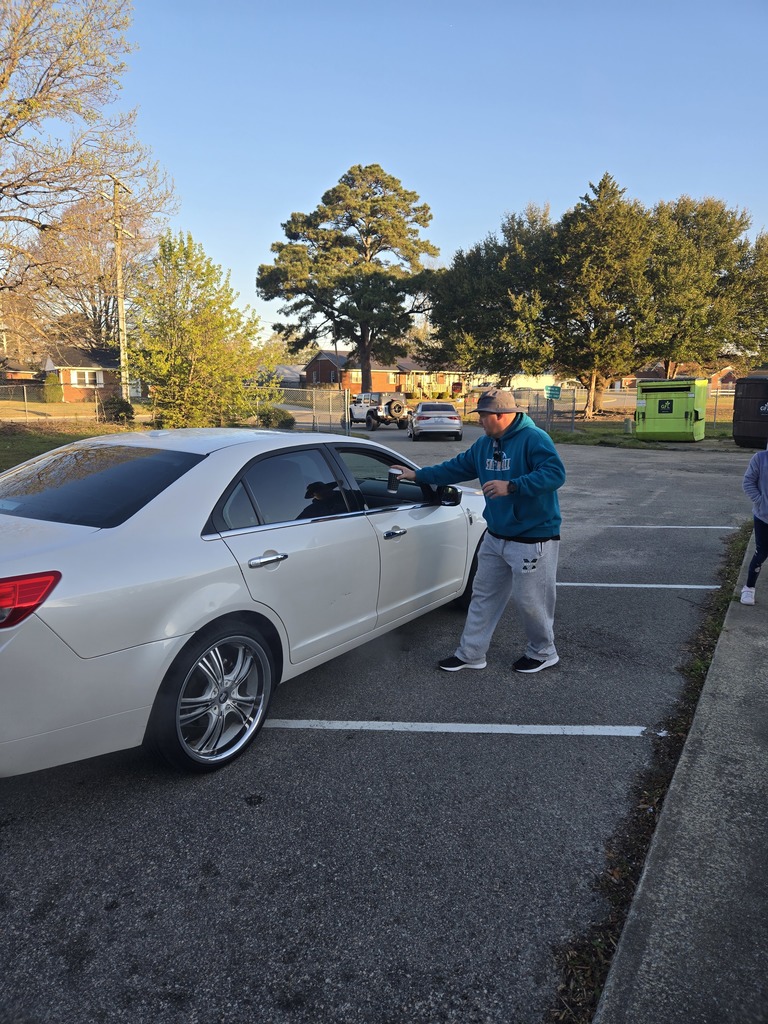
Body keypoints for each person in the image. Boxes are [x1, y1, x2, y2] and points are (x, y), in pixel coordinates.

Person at [391, 388, 566, 674]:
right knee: (483, 595)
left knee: (531, 601)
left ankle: (543, 651)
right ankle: (471, 653)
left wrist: (512, 486)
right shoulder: (485, 444)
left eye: (483, 416)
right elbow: (457, 467)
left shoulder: (534, 439)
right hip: (496, 535)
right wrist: (417, 475)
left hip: (534, 537)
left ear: (501, 415)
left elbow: (555, 474)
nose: (480, 421)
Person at [740, 439, 768, 605]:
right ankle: (749, 588)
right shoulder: (760, 458)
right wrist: (761, 501)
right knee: (761, 553)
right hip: (763, 517)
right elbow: (748, 482)